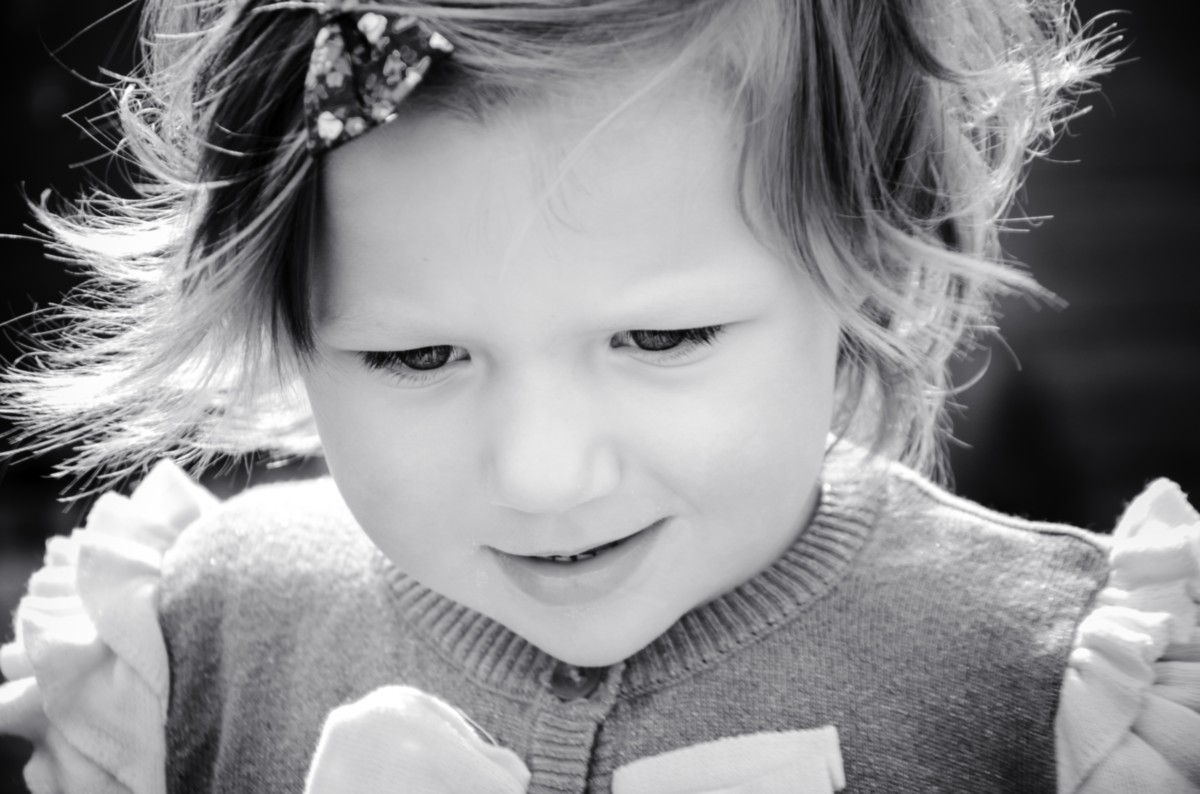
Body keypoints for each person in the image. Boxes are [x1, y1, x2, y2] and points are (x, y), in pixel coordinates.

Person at [0, 0, 1196, 792]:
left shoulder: (1048, 690)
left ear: (869, 267)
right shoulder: (191, 653)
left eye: (661, 337)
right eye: (417, 357)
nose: (541, 474)